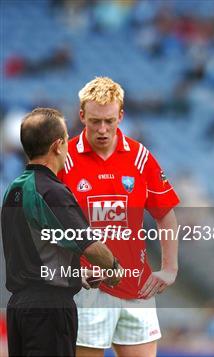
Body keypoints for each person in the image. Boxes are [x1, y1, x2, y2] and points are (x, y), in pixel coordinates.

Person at [58, 77, 180, 357]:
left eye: (110, 121)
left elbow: (166, 215)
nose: (102, 129)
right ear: (81, 116)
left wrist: (170, 268)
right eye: (95, 121)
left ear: (120, 116)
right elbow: (42, 225)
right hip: (85, 290)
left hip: (136, 287)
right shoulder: (64, 159)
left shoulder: (140, 157)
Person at [1, 107, 123, 356]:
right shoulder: (52, 190)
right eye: (67, 138)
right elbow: (89, 245)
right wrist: (113, 268)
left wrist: (76, 275)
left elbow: (36, 255)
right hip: (49, 310)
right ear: (58, 145)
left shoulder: (13, 189)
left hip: (19, 307)